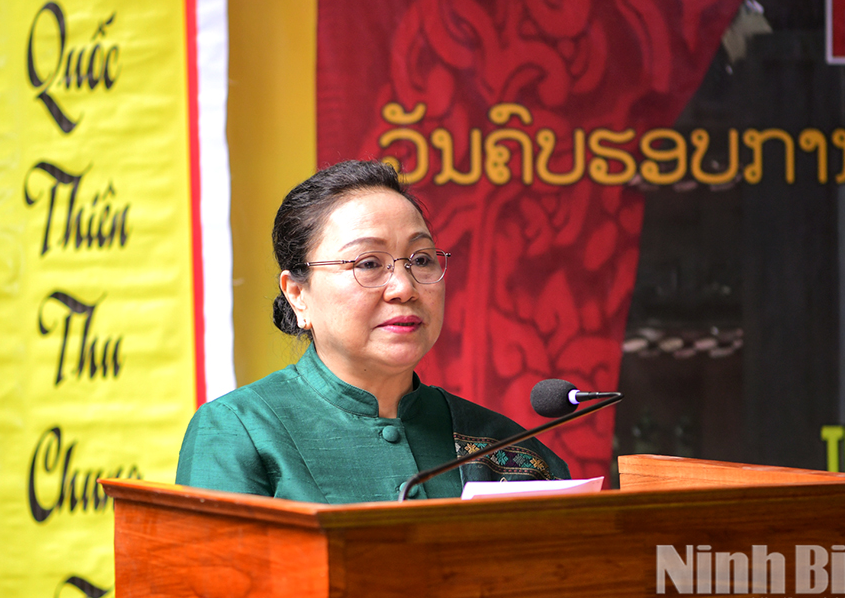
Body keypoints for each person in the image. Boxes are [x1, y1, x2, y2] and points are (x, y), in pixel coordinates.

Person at [176, 160, 569, 503]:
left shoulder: (504, 444)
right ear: (298, 295)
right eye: (367, 264)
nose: (404, 287)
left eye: (421, 259)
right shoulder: (237, 430)